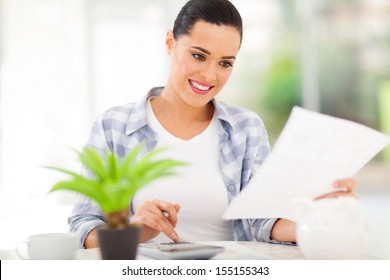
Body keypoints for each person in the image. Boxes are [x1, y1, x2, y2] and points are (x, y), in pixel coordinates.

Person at [68, 0, 357, 249]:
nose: (209, 75)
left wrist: (311, 218)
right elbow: (83, 226)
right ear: (170, 42)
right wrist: (131, 234)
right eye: (198, 56)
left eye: (225, 63)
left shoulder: (246, 129)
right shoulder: (114, 126)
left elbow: (259, 222)